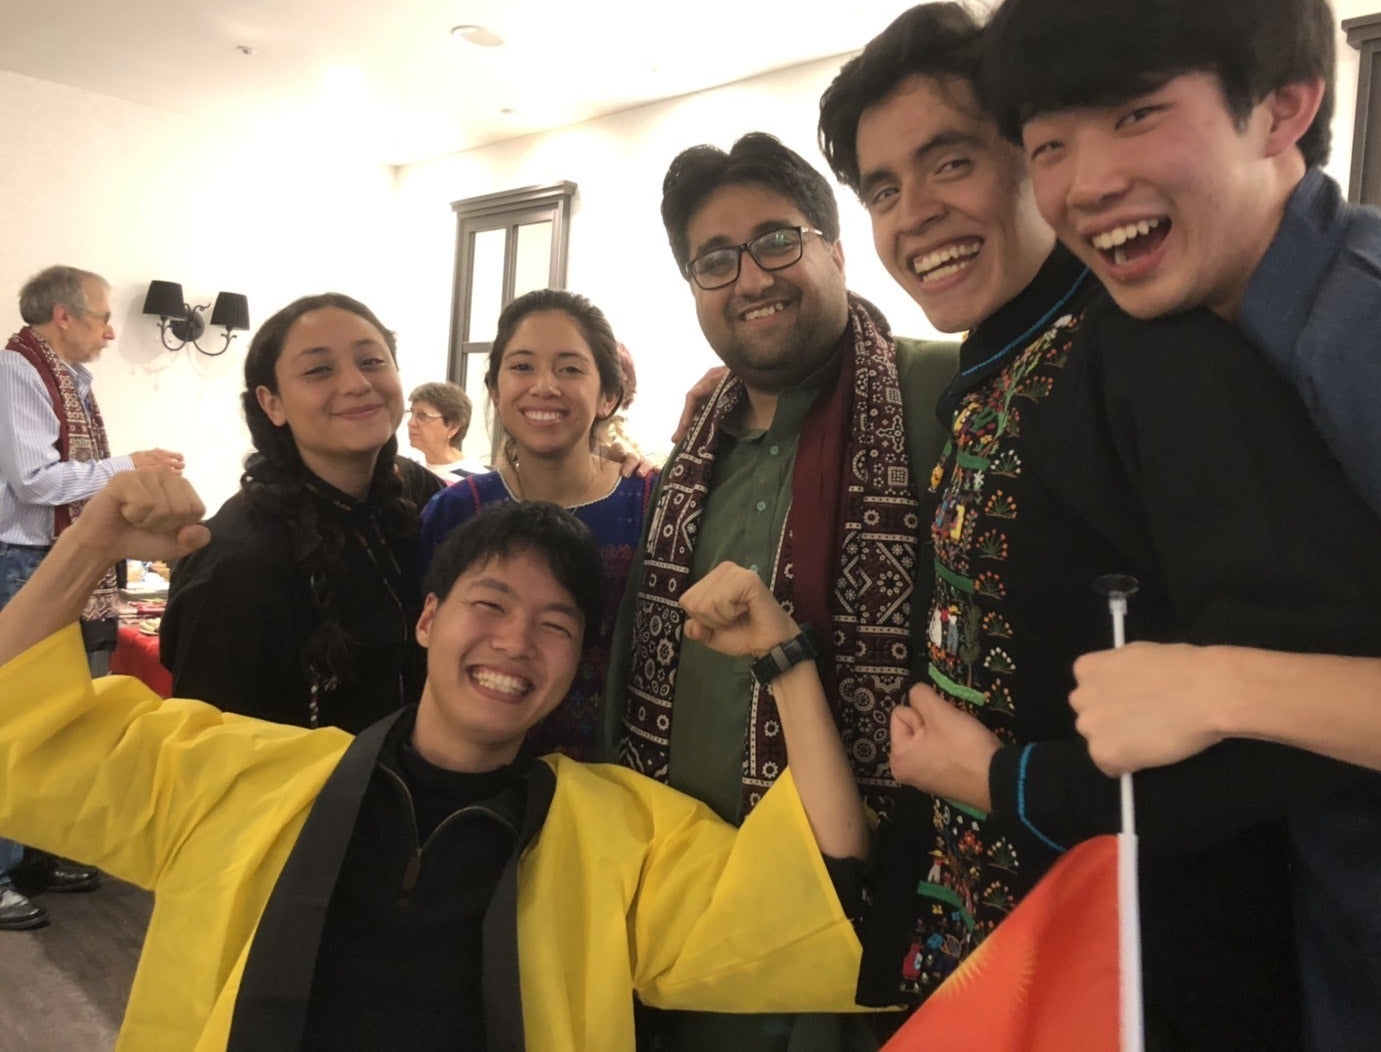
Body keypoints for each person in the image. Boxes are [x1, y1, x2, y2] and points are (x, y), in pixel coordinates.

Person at [814, 0, 1381, 1047]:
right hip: (997, 956)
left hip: (1140, 973)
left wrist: (1001, 781)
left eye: (950, 162)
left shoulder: (1157, 356)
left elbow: (1299, 729)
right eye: (881, 189)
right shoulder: (986, 369)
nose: (913, 214)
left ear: (1032, 159)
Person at [983, 0, 1381, 1045]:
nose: (1084, 184)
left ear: (1283, 107)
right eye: (1049, 144)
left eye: (1136, 114)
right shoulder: (1216, 335)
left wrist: (1216, 686)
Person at [0, 470, 871, 1050]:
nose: (516, 642)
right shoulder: (236, 774)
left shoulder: (619, 833)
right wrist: (87, 544)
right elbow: (18, 729)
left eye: (555, 625)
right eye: (488, 604)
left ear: (575, 664)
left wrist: (785, 659)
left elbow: (824, 897)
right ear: (426, 620)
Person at [604, 132, 955, 1050]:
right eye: (715, 260)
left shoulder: (942, 394)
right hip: (686, 922)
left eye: (776, 240)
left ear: (835, 250)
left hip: (876, 921)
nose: (750, 277)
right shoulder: (690, 457)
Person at [0, 264, 184, 930]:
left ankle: (36, 853)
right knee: (19, 713)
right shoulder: (17, 373)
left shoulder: (67, 378)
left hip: (53, 557)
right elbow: (35, 481)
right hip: (23, 560)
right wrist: (128, 468)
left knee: (63, 714)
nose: (110, 332)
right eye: (104, 317)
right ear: (64, 316)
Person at [161, 293, 425, 732]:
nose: (357, 383)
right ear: (272, 403)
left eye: (372, 361)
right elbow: (208, 743)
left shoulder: (414, 499)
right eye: (319, 370)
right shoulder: (237, 557)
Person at [420, 289, 653, 762]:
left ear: (608, 396)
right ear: (494, 389)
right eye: (522, 366)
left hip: (621, 778)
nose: (544, 386)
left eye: (570, 369)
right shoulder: (456, 510)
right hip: (474, 774)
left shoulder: (656, 504)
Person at [406, 380, 484, 482]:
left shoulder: (475, 482)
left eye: (422, 415)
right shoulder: (411, 470)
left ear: (453, 427)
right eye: (412, 413)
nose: (410, 423)